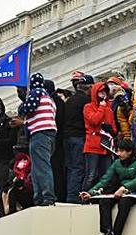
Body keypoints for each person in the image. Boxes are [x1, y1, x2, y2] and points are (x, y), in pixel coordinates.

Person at [80, 139, 136, 235]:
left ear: (129, 151)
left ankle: (116, 233)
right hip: (120, 191)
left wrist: (124, 188)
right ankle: (106, 232)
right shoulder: (117, 163)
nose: (118, 153)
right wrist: (90, 193)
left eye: (121, 151)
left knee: (124, 203)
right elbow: (105, 180)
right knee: (104, 201)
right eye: (118, 151)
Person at [20, 73, 59, 207]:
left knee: (41, 167)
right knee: (38, 167)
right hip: (49, 134)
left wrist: (22, 108)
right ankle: (40, 196)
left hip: (39, 134)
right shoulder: (50, 99)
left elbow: (29, 107)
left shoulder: (36, 93)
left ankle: (46, 196)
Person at [82, 81, 118, 193]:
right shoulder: (88, 107)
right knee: (91, 174)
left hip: (106, 147)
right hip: (93, 145)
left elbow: (114, 129)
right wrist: (101, 109)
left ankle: (102, 196)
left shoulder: (109, 110)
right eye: (100, 92)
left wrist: (110, 129)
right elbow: (94, 120)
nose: (103, 95)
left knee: (106, 174)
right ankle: (85, 195)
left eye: (104, 93)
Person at [64, 73, 93, 203]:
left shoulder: (69, 101)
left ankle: (70, 194)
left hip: (67, 138)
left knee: (71, 168)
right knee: (78, 167)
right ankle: (74, 196)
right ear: (89, 88)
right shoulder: (86, 102)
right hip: (78, 137)